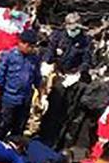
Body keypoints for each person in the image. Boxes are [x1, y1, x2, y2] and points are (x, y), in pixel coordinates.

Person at [39, 12, 93, 146]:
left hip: (73, 77)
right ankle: (44, 137)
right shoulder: (58, 36)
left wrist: (79, 73)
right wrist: (46, 64)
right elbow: (50, 53)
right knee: (51, 107)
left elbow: (87, 60)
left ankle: (61, 140)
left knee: (67, 110)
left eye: (77, 29)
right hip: (58, 75)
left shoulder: (85, 41)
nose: (75, 32)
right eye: (73, 29)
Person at [0, 28, 42, 139]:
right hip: (9, 97)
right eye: (29, 46)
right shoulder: (8, 56)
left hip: (25, 98)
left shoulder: (34, 58)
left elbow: (37, 77)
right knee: (3, 125)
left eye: (33, 46)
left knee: (19, 128)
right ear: (21, 43)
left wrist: (42, 95)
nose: (31, 49)